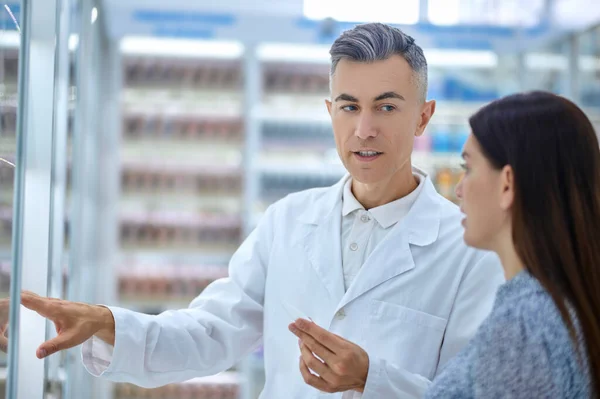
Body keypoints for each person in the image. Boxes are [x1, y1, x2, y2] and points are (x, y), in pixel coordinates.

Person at [20, 23, 504, 398]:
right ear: (329, 110)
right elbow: (210, 332)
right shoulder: (288, 221)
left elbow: (475, 392)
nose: (364, 130)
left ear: (424, 115)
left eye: (387, 107)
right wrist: (107, 323)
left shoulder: (471, 250)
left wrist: (372, 379)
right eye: (350, 106)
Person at [421, 91, 600, 398]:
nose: (460, 189)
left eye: (468, 168)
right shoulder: (563, 300)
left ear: (507, 183)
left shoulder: (521, 326)